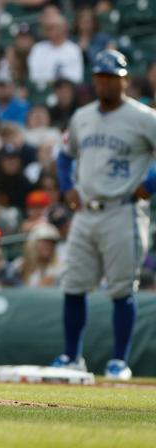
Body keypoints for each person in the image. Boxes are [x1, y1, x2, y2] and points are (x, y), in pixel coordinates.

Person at [53, 50, 156, 381]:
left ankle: (119, 361)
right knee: (73, 284)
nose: (105, 83)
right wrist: (67, 186)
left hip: (123, 210)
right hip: (86, 208)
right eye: (100, 77)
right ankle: (71, 356)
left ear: (125, 80)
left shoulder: (143, 117)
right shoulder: (82, 116)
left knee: (122, 287)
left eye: (112, 77)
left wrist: (150, 185)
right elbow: (64, 156)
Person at [27, 7, 84, 87]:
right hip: (42, 92)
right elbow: (34, 77)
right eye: (47, 27)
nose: (49, 30)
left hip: (65, 92)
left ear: (64, 27)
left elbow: (76, 78)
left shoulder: (73, 49)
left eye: (53, 26)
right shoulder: (37, 48)